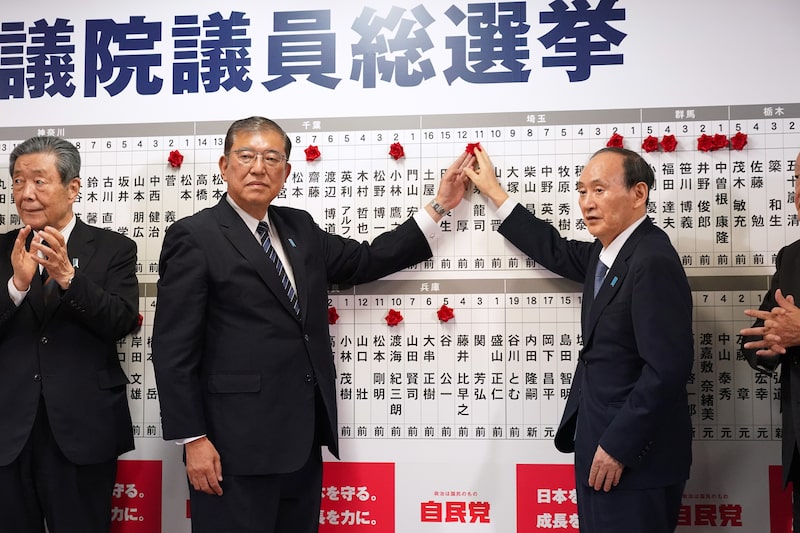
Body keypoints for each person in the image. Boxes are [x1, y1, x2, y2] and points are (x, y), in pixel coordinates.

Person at [151, 116, 473, 533]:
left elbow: (364, 260)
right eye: (246, 155)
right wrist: (192, 439)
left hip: (301, 444)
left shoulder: (297, 226)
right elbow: (172, 348)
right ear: (224, 165)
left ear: (286, 172)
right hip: (232, 449)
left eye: (272, 158)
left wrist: (439, 206)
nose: (258, 167)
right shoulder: (194, 235)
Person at [465, 145, 694, 532]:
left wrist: (619, 446)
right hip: (601, 448)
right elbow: (553, 248)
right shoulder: (606, 256)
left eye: (600, 190)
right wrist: (496, 194)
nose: (586, 202)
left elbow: (667, 369)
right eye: (582, 190)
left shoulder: (651, 259)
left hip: (633, 459)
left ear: (639, 194)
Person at [0, 136, 140, 532]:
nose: (26, 194)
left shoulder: (114, 249)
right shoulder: (0, 251)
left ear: (73, 187)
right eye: (17, 181)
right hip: (8, 431)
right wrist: (17, 288)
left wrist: (68, 278)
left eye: (39, 181)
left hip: (83, 429)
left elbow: (122, 321)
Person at [740, 152, 800, 529]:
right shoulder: (792, 257)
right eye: (796, 179)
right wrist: (766, 343)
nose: (799, 191)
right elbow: (765, 331)